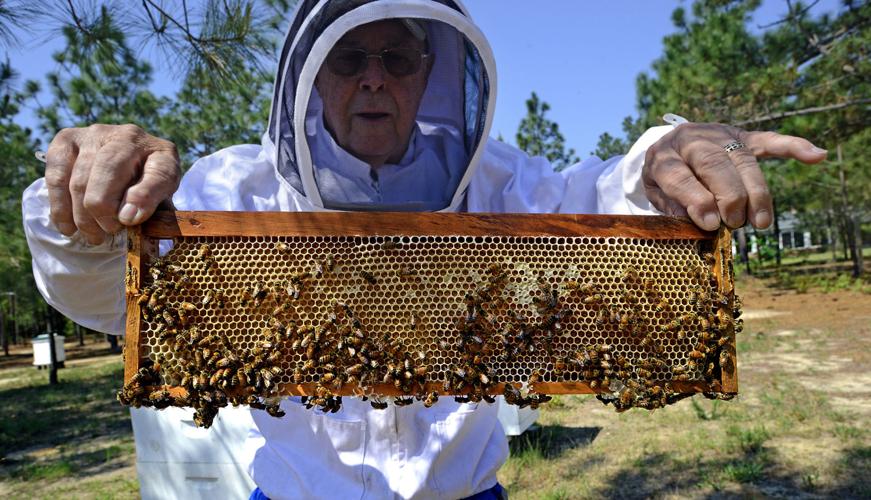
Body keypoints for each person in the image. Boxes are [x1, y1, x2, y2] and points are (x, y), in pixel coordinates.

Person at [22, 1, 827, 498]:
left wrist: (661, 160)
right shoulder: (234, 187)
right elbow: (103, 292)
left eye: (397, 57)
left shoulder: (501, 183)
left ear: (430, 76)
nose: (373, 79)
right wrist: (82, 211)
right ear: (311, 77)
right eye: (349, 58)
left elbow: (605, 202)